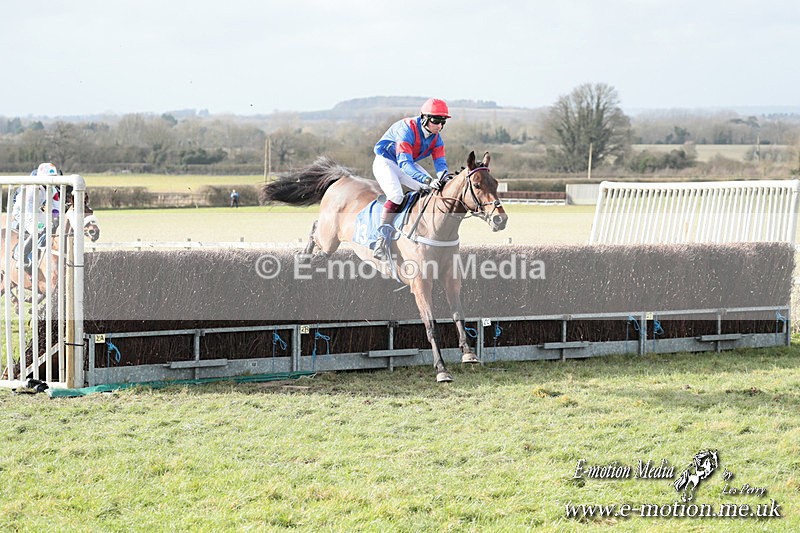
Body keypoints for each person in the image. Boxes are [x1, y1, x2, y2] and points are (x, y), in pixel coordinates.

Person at [371, 97, 453, 259]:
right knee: (396, 195)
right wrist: (428, 180)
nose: (439, 126)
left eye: (443, 122)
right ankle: (381, 239)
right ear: (424, 118)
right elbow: (405, 164)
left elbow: (441, 164)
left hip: (406, 163)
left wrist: (445, 179)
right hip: (386, 162)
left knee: (431, 192)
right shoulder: (406, 130)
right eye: (436, 121)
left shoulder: (437, 139)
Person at [12, 163, 57, 271]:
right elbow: (27, 209)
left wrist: (56, 218)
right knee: (38, 229)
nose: (53, 181)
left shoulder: (52, 189)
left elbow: (56, 206)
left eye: (54, 178)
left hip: (35, 211)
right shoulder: (32, 188)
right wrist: (38, 224)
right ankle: (22, 257)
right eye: (50, 178)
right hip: (22, 211)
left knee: (52, 226)